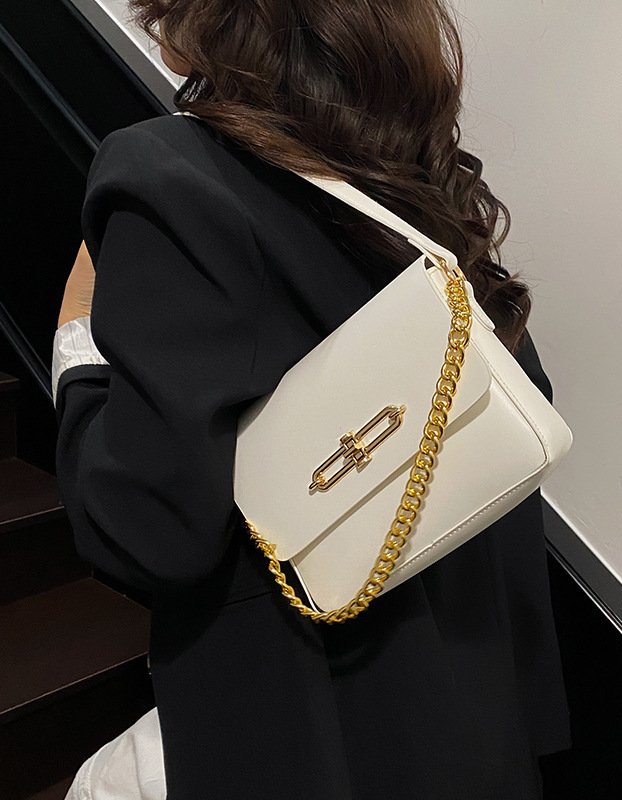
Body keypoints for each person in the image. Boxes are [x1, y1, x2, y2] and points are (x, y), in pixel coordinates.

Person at [53, 1, 571, 797]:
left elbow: (145, 530)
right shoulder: (429, 201)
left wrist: (78, 346)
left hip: (306, 734)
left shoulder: (170, 174)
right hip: (472, 728)